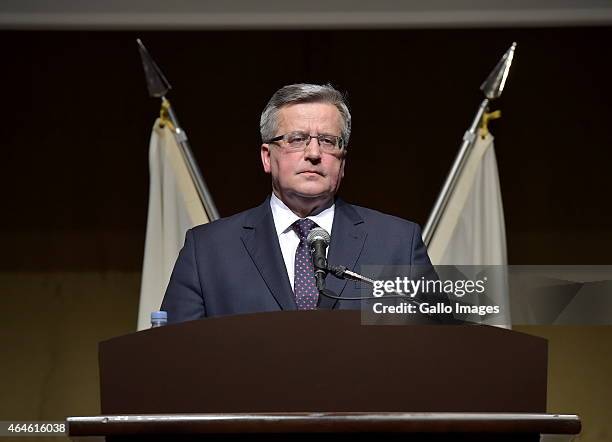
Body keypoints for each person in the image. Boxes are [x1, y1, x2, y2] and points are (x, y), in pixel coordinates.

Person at [161, 83, 433, 323]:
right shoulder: (208, 250)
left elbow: (438, 349)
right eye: (297, 139)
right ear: (267, 157)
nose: (314, 153)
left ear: (343, 161)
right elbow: (174, 358)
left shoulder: (398, 244)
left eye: (328, 141)